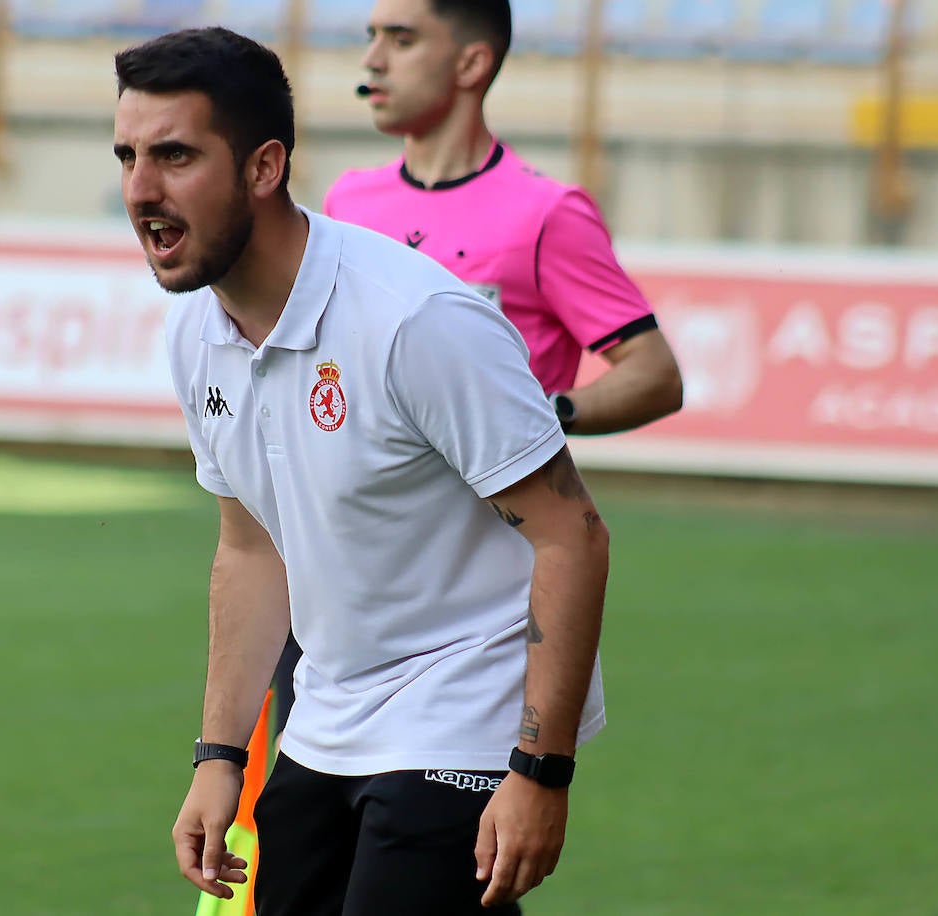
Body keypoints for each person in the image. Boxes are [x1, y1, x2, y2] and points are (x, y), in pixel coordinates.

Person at [113, 26, 610, 916]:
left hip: (465, 713)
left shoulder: (414, 320)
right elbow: (252, 552)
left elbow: (571, 533)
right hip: (326, 720)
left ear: (264, 169)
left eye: (176, 156)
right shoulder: (196, 334)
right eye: (129, 156)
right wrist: (220, 757)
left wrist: (540, 769)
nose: (141, 190)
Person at [269, 0, 684, 745]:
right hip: (339, 593)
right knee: (286, 853)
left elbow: (654, 371)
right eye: (369, 38)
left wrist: (540, 419)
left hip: (464, 616)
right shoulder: (346, 203)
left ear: (471, 63)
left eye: (400, 39)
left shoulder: (545, 212)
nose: (371, 60)